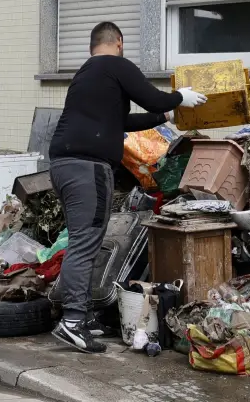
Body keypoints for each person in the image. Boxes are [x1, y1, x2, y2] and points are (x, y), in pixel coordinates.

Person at [48, 21, 207, 354]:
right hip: (87, 166)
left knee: (85, 240)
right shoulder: (115, 65)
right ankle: (73, 320)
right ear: (118, 42)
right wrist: (181, 98)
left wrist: (165, 117)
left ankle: (83, 315)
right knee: (85, 241)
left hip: (65, 165)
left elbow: (123, 122)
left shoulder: (86, 75)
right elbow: (150, 97)